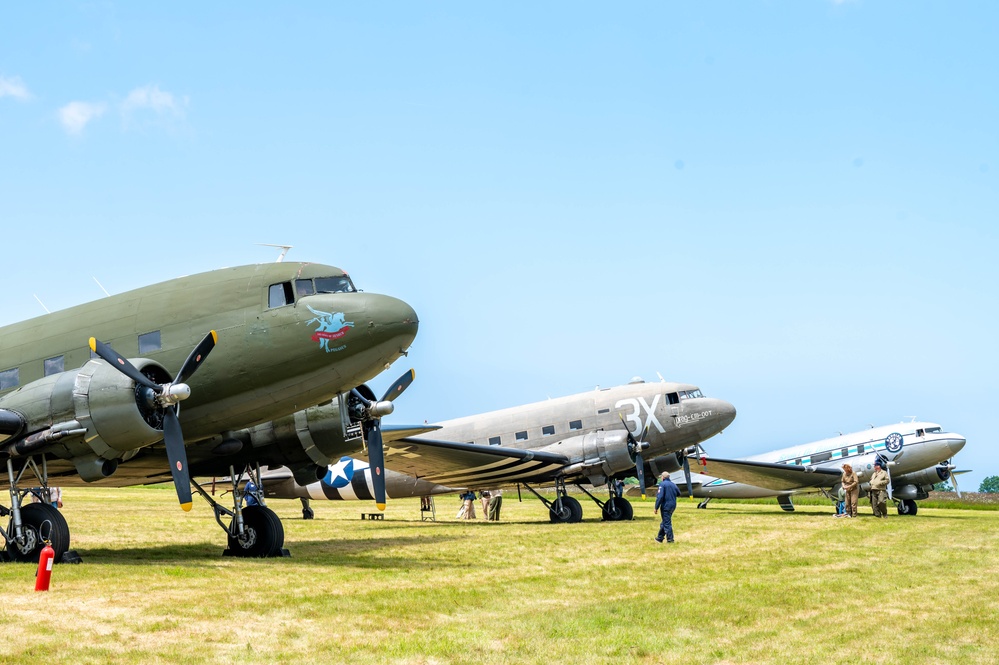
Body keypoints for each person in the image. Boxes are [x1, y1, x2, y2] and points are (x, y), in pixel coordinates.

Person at [653, 471, 681, 544]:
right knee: (665, 521)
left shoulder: (662, 484)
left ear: (663, 477)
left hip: (666, 505)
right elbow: (679, 493)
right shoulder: (673, 484)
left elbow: (660, 497)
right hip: (673, 505)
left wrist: (656, 507)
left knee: (667, 523)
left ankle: (670, 539)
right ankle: (659, 538)